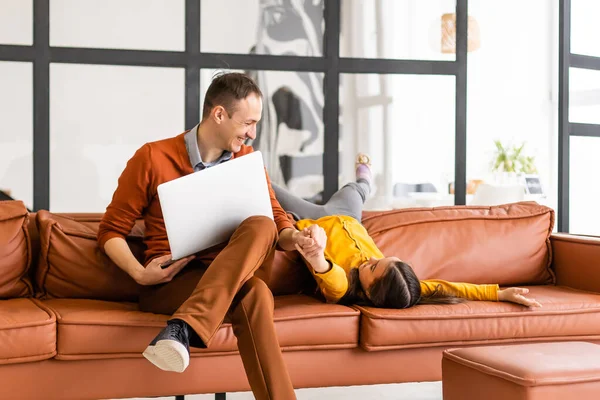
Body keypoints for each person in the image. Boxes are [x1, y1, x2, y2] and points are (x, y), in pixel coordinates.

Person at [98, 73, 310, 400]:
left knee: (264, 225)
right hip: (174, 283)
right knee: (254, 295)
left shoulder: (246, 160)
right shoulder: (152, 157)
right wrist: (140, 273)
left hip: (237, 271)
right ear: (219, 114)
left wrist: (296, 239)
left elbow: (278, 223)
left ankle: (182, 328)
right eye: (248, 123)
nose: (253, 133)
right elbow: (111, 230)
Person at [272, 154, 543, 309]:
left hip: (312, 219)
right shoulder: (405, 285)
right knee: (356, 189)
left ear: (369, 293)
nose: (371, 260)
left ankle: (239, 157)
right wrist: (499, 294)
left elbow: (324, 269)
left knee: (270, 188)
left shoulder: (342, 286)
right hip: (349, 217)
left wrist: (316, 252)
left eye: (373, 267)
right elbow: (447, 287)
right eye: (385, 258)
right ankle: (365, 176)